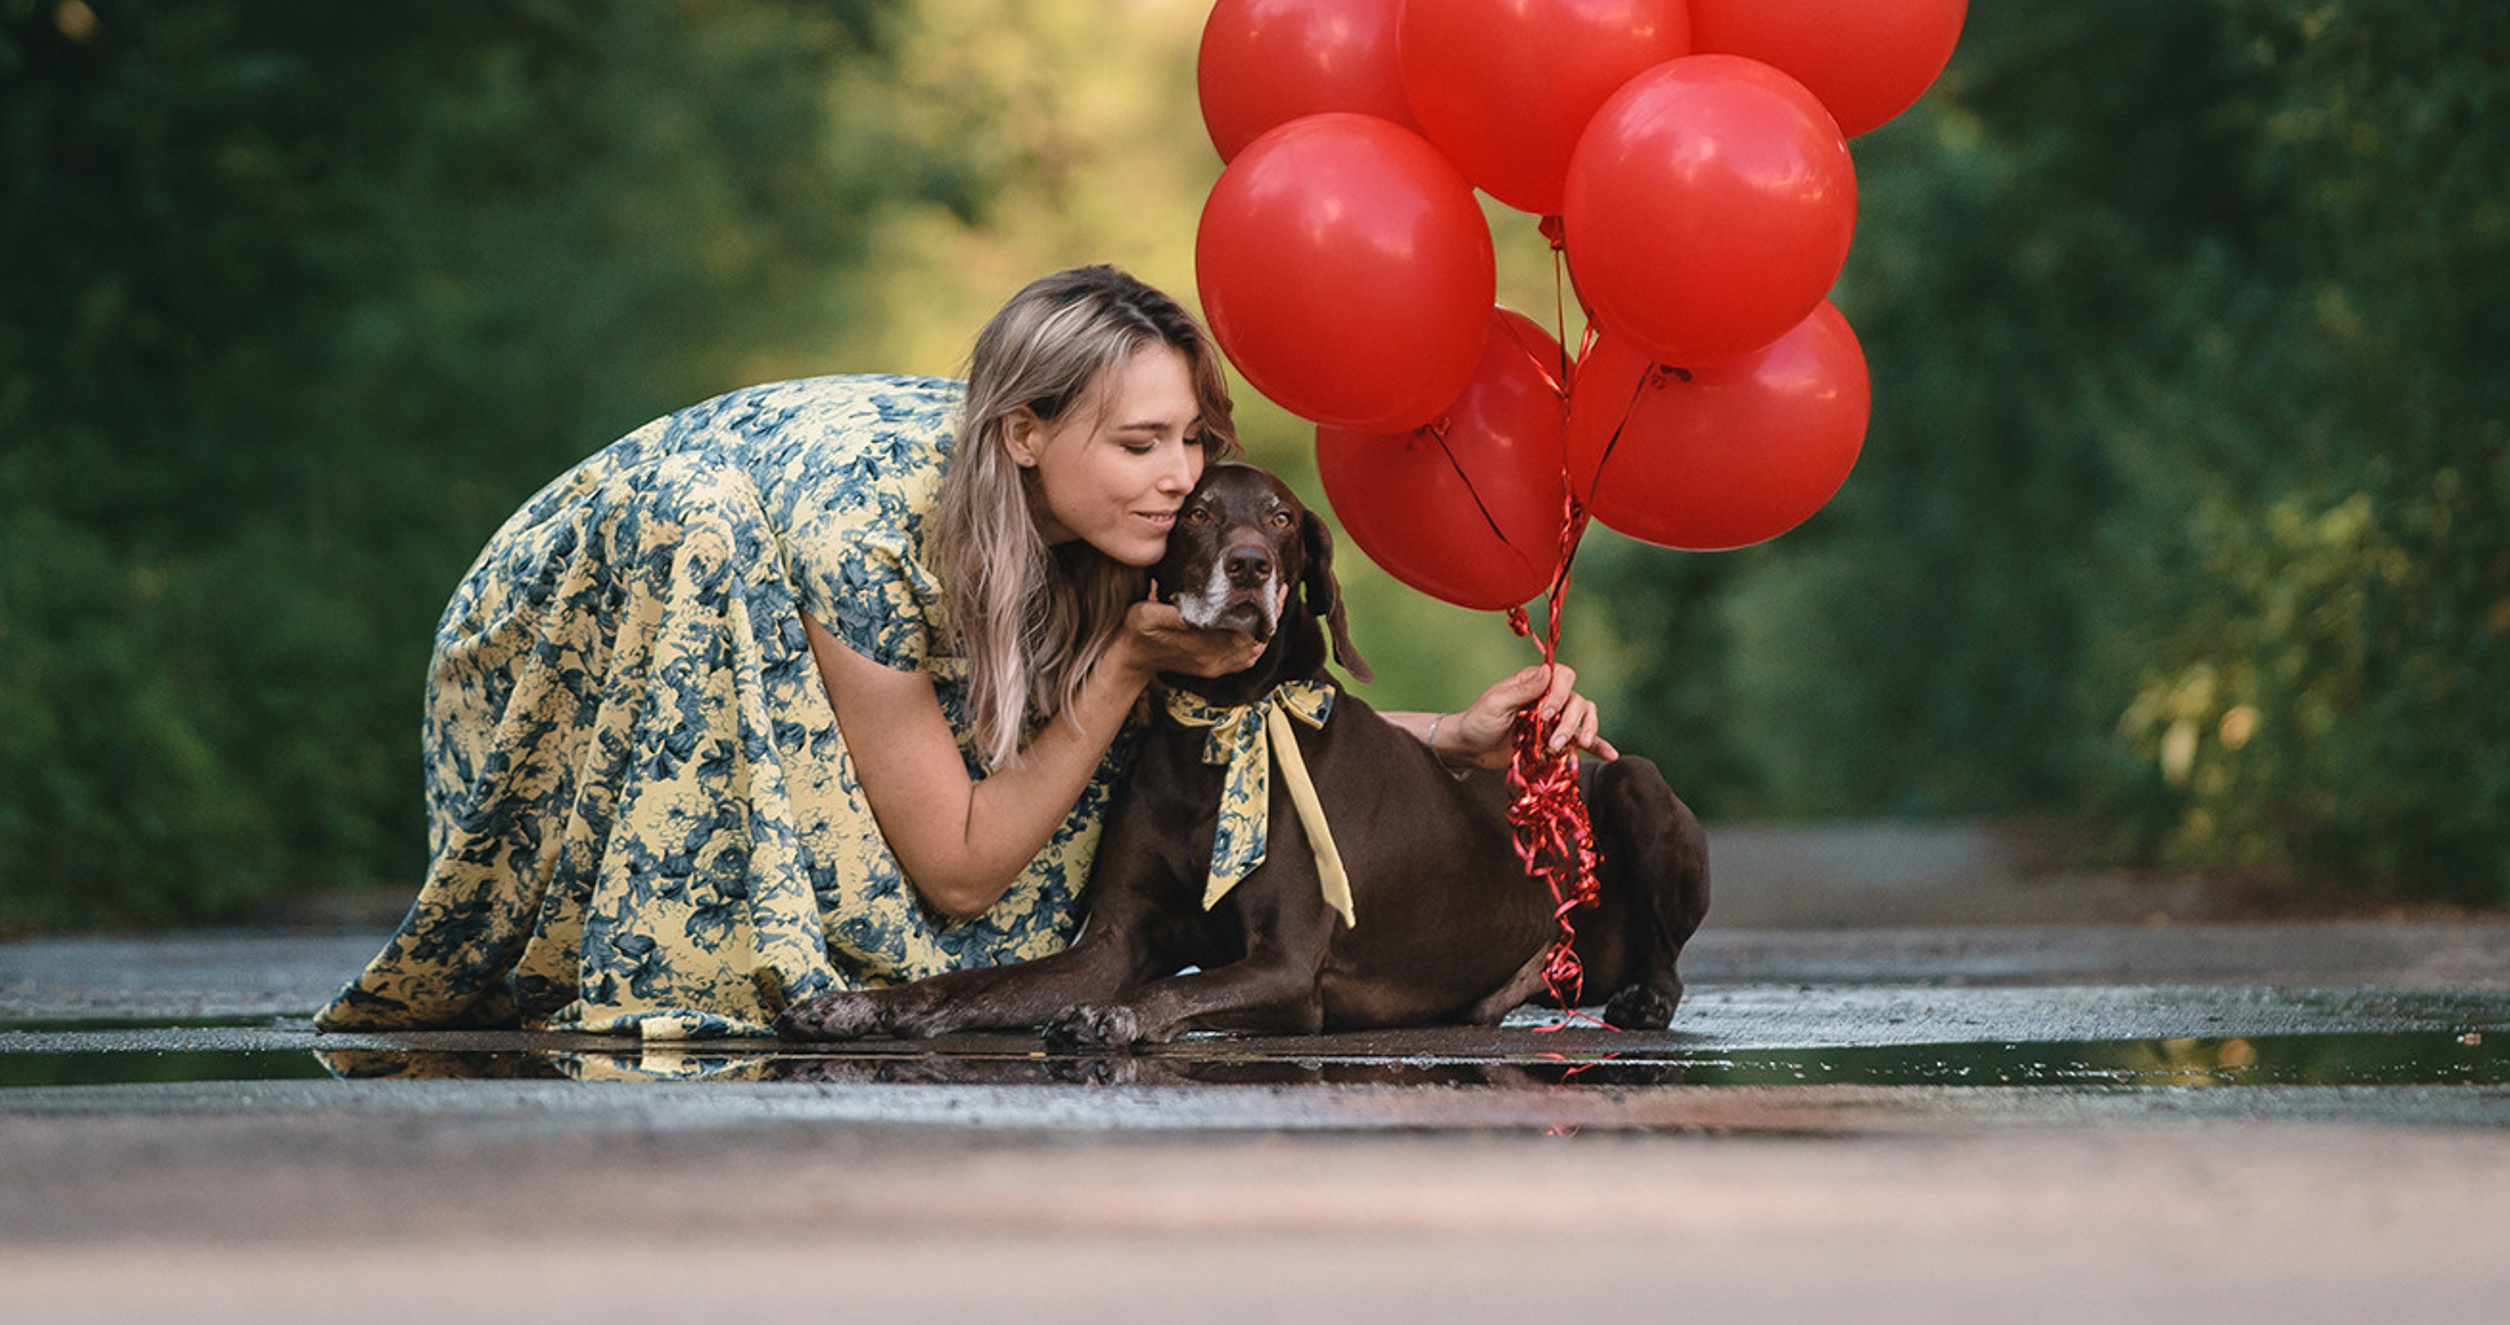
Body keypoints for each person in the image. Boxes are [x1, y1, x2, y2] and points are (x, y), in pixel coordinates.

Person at [319, 265, 1606, 1037]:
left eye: (1192, 439)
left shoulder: (1096, 511)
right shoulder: (863, 535)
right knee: (994, 905)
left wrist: (1443, 737)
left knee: (1083, 846)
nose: (1178, 480)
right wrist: (1116, 672)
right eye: (1138, 442)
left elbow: (1221, 698)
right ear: (1025, 434)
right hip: (599, 607)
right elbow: (963, 866)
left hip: (755, 570)